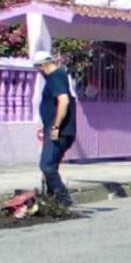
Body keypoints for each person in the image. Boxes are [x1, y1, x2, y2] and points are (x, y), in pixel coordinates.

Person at [33, 50, 77, 207]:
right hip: (59, 130)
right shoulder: (59, 76)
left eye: (38, 68)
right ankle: (52, 200)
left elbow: (63, 101)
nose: (39, 72)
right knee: (51, 166)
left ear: (43, 65)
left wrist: (55, 126)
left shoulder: (56, 76)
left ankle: (64, 200)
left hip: (59, 131)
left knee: (46, 165)